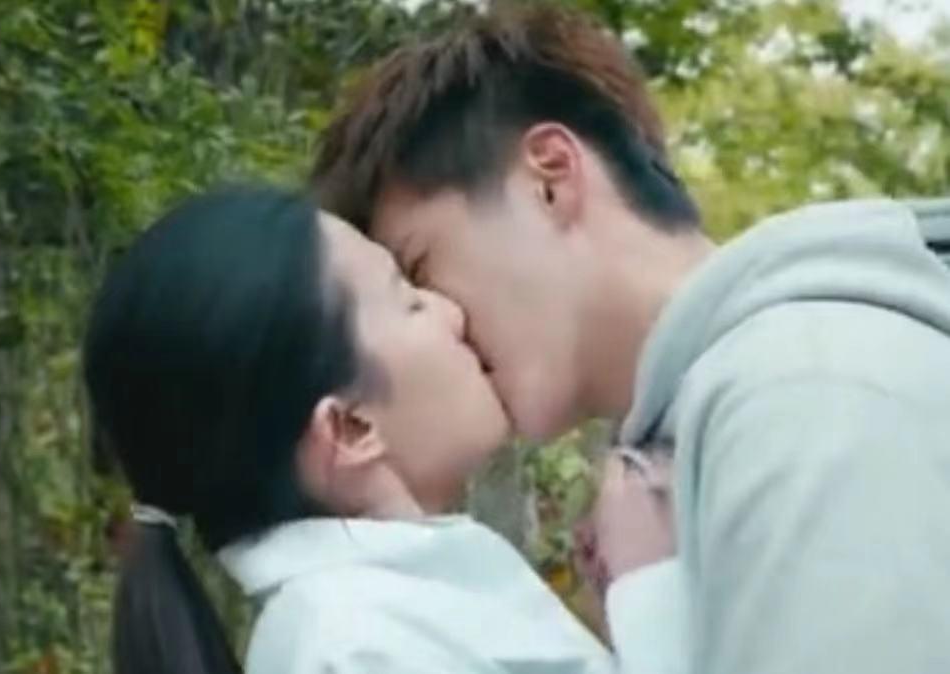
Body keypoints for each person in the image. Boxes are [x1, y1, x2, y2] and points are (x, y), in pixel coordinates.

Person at [310, 4, 950, 673]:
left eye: (420, 268)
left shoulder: (805, 390)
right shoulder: (717, 427)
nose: (445, 319)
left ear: (549, 177)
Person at [84, 184, 617, 674]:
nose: (451, 313)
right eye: (409, 301)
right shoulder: (359, 648)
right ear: (350, 429)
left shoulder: (378, 616)